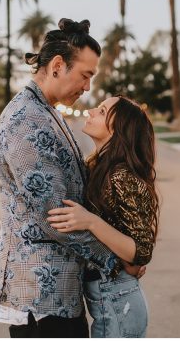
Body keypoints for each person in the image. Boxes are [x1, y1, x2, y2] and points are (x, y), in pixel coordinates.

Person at [0, 18, 141, 338]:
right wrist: (117, 261)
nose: (87, 87)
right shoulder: (26, 122)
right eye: (85, 75)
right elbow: (57, 219)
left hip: (59, 294)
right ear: (58, 65)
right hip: (41, 299)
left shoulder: (46, 111)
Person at [46, 96, 159, 337]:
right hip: (110, 298)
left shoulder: (122, 176)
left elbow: (141, 251)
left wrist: (89, 221)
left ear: (119, 129)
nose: (89, 111)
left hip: (120, 302)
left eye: (102, 111)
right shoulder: (98, 167)